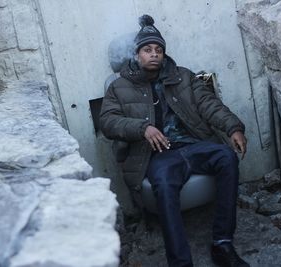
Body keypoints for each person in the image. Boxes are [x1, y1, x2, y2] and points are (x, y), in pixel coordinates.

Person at [100, 14, 249, 267]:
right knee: (165, 184)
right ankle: (180, 262)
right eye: (147, 49)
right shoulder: (119, 87)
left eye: (158, 49)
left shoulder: (183, 77)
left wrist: (233, 127)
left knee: (226, 157)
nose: (154, 54)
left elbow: (209, 104)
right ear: (137, 55)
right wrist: (142, 128)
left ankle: (223, 243)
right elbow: (108, 122)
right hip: (157, 155)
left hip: (193, 144)